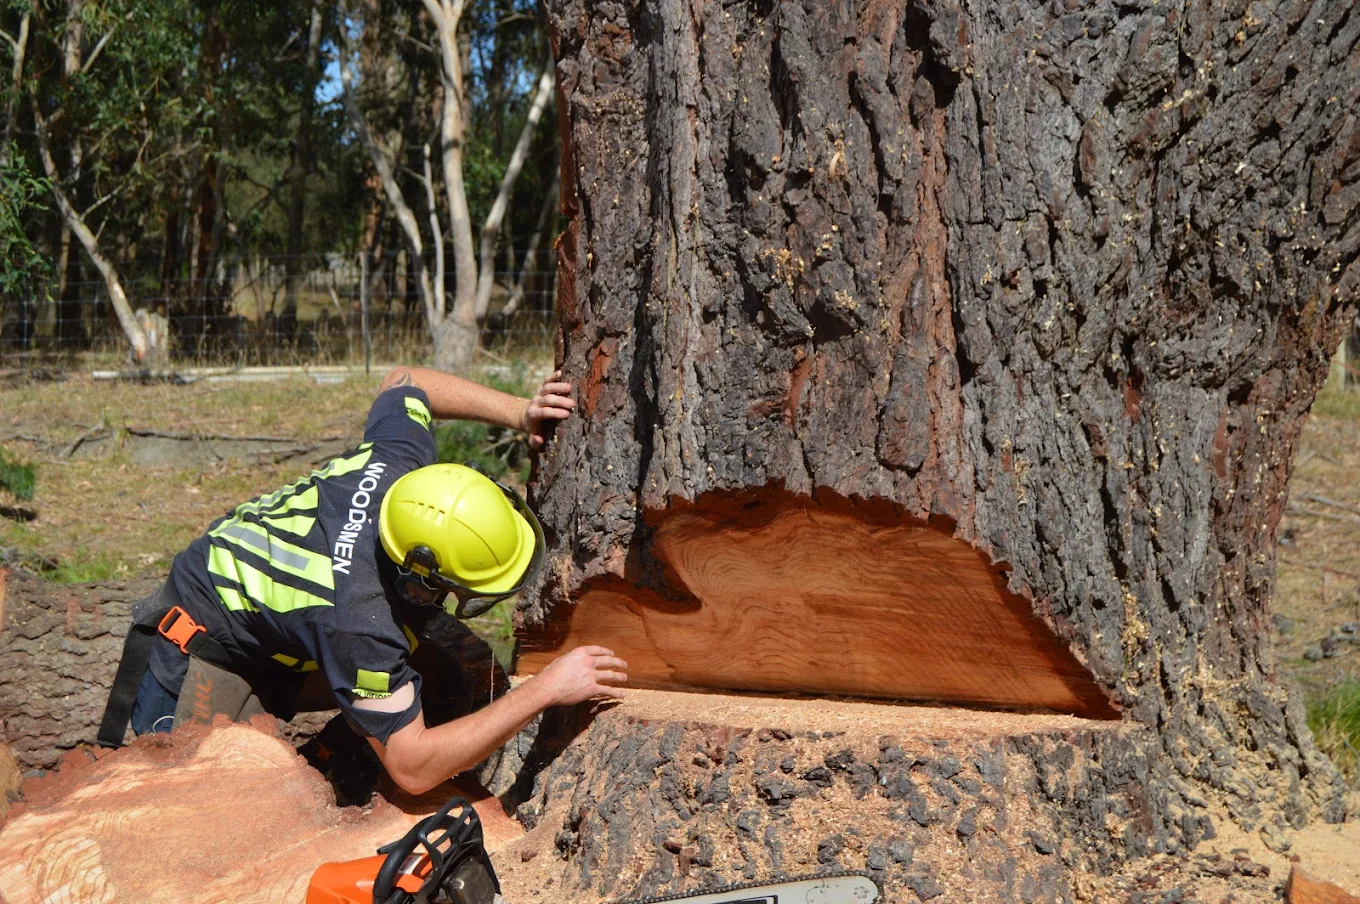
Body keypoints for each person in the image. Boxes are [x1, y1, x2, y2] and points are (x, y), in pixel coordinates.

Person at [97, 367, 628, 794]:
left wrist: (519, 412)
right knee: (210, 812)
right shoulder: (360, 622)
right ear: (422, 578)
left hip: (278, 623)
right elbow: (413, 768)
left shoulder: (401, 462)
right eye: (462, 592)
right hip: (202, 646)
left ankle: (334, 771)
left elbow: (404, 381)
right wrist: (543, 691)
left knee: (443, 681)